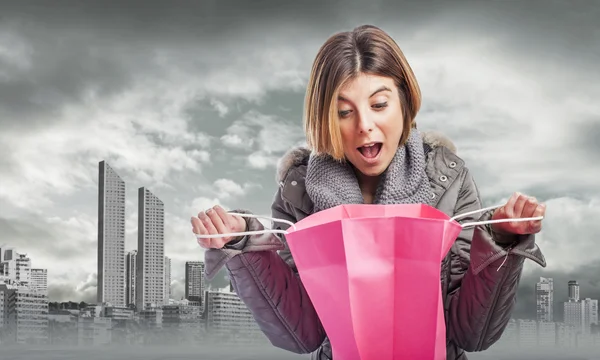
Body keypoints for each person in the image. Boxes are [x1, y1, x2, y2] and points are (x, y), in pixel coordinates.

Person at [191, 24, 546, 360]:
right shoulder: (299, 192)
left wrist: (501, 242)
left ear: (405, 102)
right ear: (324, 117)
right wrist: (242, 246)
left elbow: (474, 334)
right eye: (344, 112)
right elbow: (300, 335)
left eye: (379, 105)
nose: (364, 126)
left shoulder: (448, 181)